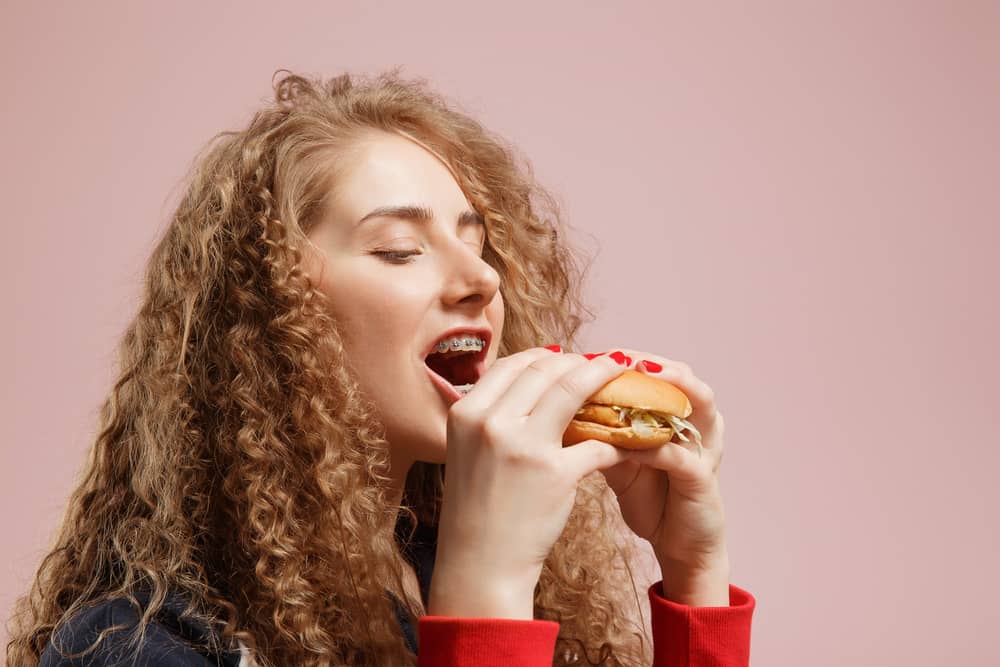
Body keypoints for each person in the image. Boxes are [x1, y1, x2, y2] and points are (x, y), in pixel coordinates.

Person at [5, 69, 755, 667]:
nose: (483, 279)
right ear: (274, 312)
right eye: (400, 248)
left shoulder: (438, 572)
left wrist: (695, 580)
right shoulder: (141, 645)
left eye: (478, 243)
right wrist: (485, 598)